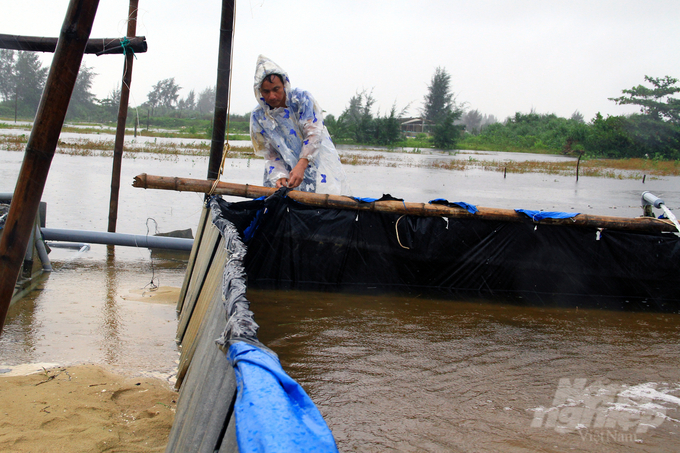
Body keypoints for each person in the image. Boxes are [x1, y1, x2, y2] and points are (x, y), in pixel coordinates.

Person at [250, 55, 351, 195]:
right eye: (266, 91)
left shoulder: (301, 99)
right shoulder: (258, 116)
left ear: (284, 85)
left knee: (313, 205)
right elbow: (270, 154)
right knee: (277, 207)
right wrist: (280, 176)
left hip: (310, 163)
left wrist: (301, 165)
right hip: (280, 171)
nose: (272, 96)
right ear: (259, 91)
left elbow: (313, 134)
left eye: (276, 89)